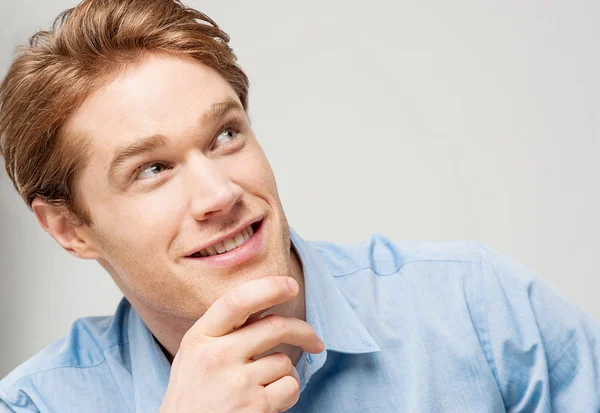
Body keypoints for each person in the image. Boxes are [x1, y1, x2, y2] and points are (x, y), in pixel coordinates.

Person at [0, 0, 598, 412]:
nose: (221, 194)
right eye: (153, 169)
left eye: (225, 136)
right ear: (70, 228)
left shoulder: (477, 313)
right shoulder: (37, 404)